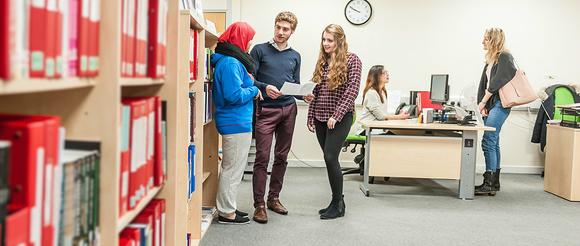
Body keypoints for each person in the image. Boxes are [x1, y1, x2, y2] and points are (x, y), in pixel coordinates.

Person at [249, 11, 313, 224]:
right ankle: (258, 205)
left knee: (282, 157)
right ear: (274, 26)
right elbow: (250, 79)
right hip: (266, 110)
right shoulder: (259, 50)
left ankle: (273, 198)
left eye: (285, 29)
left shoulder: (295, 55)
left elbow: (293, 83)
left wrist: (303, 93)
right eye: (278, 27)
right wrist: (264, 87)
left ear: (292, 32)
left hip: (288, 109)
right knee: (262, 158)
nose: (280, 32)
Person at [307, 24, 362, 220]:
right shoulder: (323, 61)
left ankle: (338, 203)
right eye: (323, 40)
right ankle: (336, 201)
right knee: (329, 160)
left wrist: (336, 115)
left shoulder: (352, 59)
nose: (326, 44)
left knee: (330, 157)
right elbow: (316, 91)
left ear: (340, 40)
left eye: (330, 40)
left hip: (340, 117)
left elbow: (352, 91)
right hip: (321, 115)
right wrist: (310, 115)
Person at [211, 22, 262, 224]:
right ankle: (226, 212)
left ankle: (228, 206)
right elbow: (233, 95)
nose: (250, 42)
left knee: (234, 169)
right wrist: (254, 91)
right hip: (235, 122)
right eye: (248, 38)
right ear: (239, 39)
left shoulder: (232, 60)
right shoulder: (231, 63)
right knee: (232, 170)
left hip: (237, 121)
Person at [475, 27, 516, 196]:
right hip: (492, 105)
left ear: (494, 40)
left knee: (488, 141)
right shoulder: (490, 60)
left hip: (500, 104)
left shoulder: (505, 57)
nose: (482, 41)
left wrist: (483, 101)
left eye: (485, 39)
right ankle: (494, 182)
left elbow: (497, 82)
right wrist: (482, 105)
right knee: (494, 141)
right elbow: (484, 84)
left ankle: (489, 182)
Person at [351, 65, 410, 135]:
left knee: (397, 137)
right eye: (384, 73)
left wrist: (397, 115)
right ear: (376, 76)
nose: (387, 74)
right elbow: (380, 116)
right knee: (395, 139)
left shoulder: (383, 92)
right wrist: (399, 117)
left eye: (387, 72)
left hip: (376, 129)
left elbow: (382, 114)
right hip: (366, 130)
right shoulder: (371, 93)